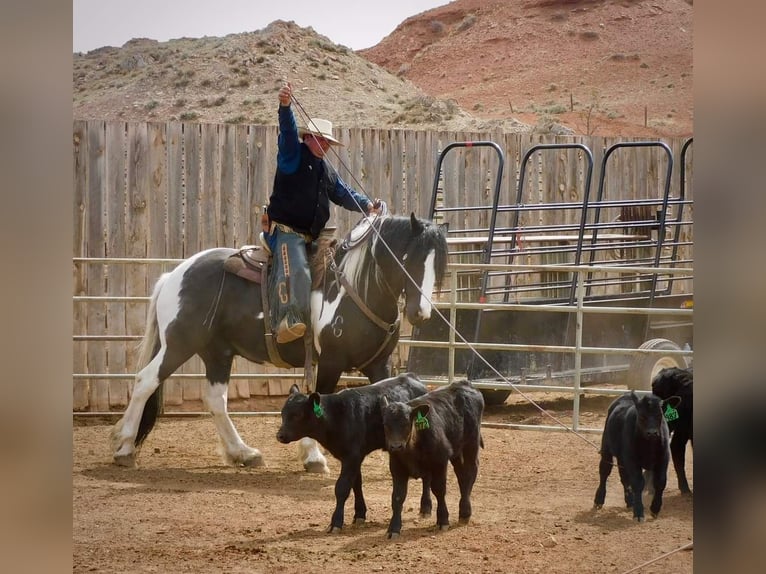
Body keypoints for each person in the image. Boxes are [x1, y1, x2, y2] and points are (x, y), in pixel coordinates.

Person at [263, 81, 381, 344]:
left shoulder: (325, 169)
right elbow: (288, 132)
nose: (326, 146)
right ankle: (289, 320)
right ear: (308, 139)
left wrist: (367, 206)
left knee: (338, 270)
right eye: (322, 140)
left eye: (327, 142)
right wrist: (285, 108)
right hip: (287, 232)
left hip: (314, 235)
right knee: (300, 273)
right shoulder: (293, 154)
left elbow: (343, 192)